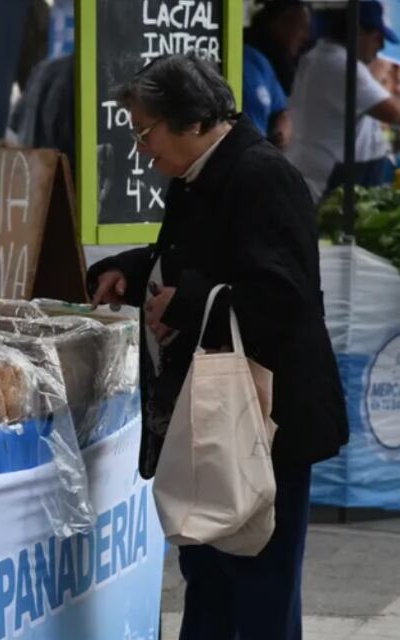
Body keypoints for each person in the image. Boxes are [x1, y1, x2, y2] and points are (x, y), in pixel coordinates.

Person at [88, 53, 347, 640]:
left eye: (145, 133)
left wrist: (187, 302)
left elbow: (284, 297)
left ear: (194, 120)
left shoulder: (261, 176)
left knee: (260, 585)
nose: (141, 151)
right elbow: (198, 258)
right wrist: (132, 270)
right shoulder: (199, 174)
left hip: (266, 420)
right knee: (207, 576)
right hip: (211, 416)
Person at [287, 1, 400, 200]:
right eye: (377, 37)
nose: (381, 46)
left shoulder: (324, 56)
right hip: (327, 185)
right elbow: (393, 112)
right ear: (358, 32)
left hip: (334, 177)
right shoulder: (340, 64)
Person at [245, 0, 312, 95]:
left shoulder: (287, 62)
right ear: (279, 24)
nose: (306, 37)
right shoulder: (252, 60)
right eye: (302, 27)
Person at [244, 42, 292, 148]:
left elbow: (281, 113)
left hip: (258, 150)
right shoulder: (215, 56)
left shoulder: (255, 60)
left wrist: (279, 138)